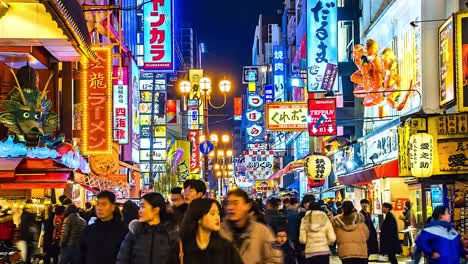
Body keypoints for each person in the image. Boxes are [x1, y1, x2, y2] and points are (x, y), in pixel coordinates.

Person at [220, 189, 283, 264]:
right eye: (228, 203)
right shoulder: (219, 231)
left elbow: (275, 259)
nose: (230, 207)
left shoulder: (261, 231)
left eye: (235, 203)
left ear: (247, 205)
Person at [117, 192, 179, 264]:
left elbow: (175, 259)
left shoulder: (170, 232)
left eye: (143, 207)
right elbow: (122, 259)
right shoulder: (135, 231)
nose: (139, 211)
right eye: (139, 207)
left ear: (156, 210)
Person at [179, 198, 242, 264]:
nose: (217, 217)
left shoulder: (226, 247)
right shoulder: (182, 247)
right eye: (212, 214)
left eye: (218, 213)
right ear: (199, 218)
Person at [80, 191, 128, 264]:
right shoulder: (89, 229)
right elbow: (81, 254)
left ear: (112, 207)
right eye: (98, 204)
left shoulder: (123, 230)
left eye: (104, 204)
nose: (99, 208)